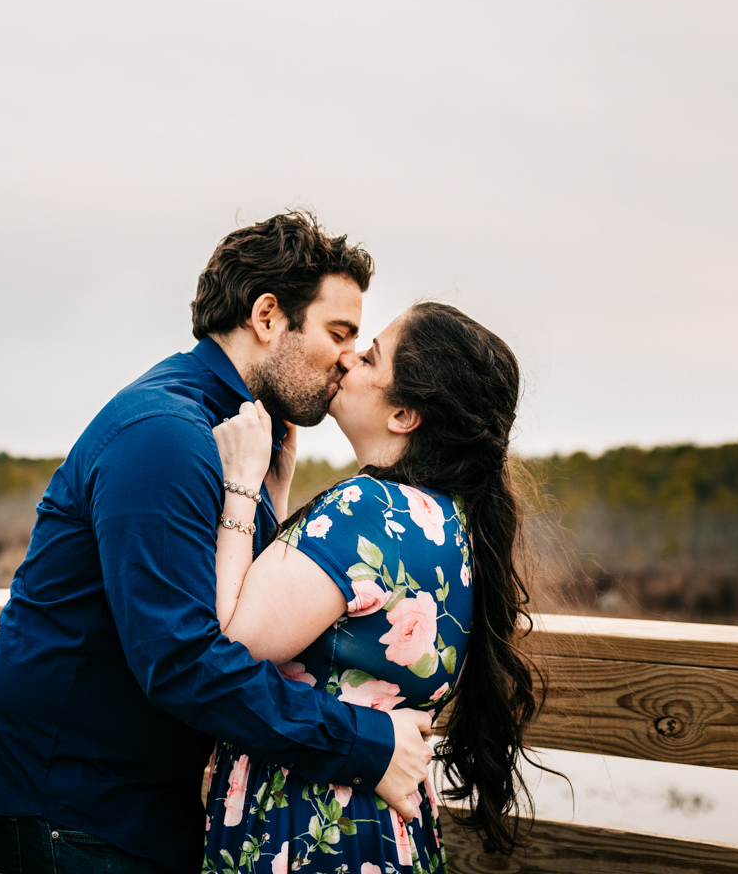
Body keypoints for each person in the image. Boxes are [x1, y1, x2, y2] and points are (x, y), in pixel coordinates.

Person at [0, 213, 436, 874]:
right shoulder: (166, 436)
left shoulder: (238, 439)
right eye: (339, 333)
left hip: (130, 808)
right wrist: (367, 744)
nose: (350, 357)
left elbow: (234, 622)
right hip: (63, 810)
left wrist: (270, 501)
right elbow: (179, 660)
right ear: (266, 316)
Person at [204, 301, 540, 873]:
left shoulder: (367, 507)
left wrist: (239, 488)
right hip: (386, 830)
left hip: (307, 826)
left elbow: (231, 645)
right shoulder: (451, 525)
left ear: (405, 413)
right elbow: (334, 631)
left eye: (371, 357)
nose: (348, 357)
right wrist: (277, 497)